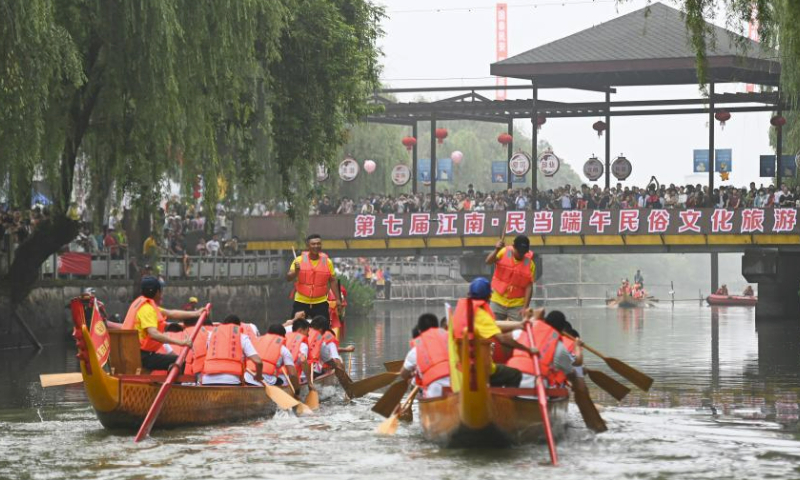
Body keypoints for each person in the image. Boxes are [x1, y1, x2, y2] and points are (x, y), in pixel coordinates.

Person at [448, 277, 539, 389]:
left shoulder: (460, 311)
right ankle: (503, 402)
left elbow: (493, 325)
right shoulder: (481, 315)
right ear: (489, 296)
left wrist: (520, 325)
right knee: (515, 375)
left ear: (469, 294)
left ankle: (490, 394)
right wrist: (528, 349)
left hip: (462, 368)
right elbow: (502, 339)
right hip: (482, 369)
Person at [121, 276, 204, 371]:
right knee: (179, 360)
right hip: (141, 356)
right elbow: (153, 334)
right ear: (157, 292)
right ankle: (172, 385)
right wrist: (181, 342)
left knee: (170, 360)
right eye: (161, 290)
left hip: (131, 353)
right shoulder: (148, 309)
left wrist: (196, 313)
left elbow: (171, 313)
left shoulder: (142, 304)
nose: (162, 294)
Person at [286, 234, 341, 322]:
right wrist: (296, 271)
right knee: (295, 328)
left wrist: (338, 299)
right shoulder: (298, 260)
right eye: (313, 244)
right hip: (301, 302)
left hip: (320, 302)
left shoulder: (328, 262)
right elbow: (288, 278)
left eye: (318, 244)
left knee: (324, 328)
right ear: (308, 246)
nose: (316, 246)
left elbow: (333, 281)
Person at [201, 314, 263, 386]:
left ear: (223, 325)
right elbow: (258, 361)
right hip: (230, 381)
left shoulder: (210, 335)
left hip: (207, 380)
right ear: (238, 326)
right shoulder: (242, 337)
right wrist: (258, 375)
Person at [485, 235, 535, 322]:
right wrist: (496, 250)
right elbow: (488, 261)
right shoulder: (503, 252)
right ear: (513, 247)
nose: (521, 254)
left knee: (519, 331)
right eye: (519, 251)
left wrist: (525, 307)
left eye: (523, 252)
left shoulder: (530, 264)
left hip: (517, 304)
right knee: (492, 327)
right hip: (498, 300)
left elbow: (529, 287)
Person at [400, 313, 450, 398]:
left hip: (434, 394)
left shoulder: (416, 350)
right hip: (458, 387)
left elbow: (403, 374)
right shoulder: (451, 341)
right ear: (437, 327)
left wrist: (411, 375)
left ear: (420, 331)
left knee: (420, 388)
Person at [245, 324, 299, 390]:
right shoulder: (283, 349)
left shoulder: (255, 342)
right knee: (282, 381)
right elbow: (293, 374)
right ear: (283, 336)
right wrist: (297, 391)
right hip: (266, 382)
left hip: (247, 379)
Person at [286, 318, 311, 385]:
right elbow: (303, 361)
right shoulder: (303, 345)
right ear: (300, 330)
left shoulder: (284, 339)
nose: (308, 335)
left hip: (277, 377)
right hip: (293, 380)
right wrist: (309, 382)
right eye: (307, 331)